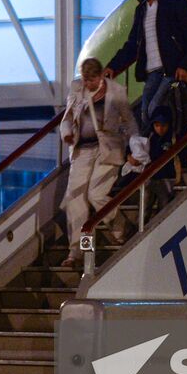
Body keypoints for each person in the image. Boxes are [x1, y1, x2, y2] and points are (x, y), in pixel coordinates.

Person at [103, 0, 187, 132]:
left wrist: (185, 65)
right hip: (152, 71)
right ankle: (157, 146)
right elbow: (133, 44)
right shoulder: (141, 8)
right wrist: (113, 65)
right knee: (146, 114)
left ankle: (165, 145)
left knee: (154, 110)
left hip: (172, 69)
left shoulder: (177, 2)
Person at [60, 57, 138, 266]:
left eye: (91, 80)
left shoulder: (116, 92)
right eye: (85, 80)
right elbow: (67, 118)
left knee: (96, 194)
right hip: (82, 150)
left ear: (100, 76)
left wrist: (135, 148)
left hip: (108, 150)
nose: (88, 84)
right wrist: (67, 134)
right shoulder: (77, 89)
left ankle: (121, 229)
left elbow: (129, 122)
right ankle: (78, 251)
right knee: (75, 199)